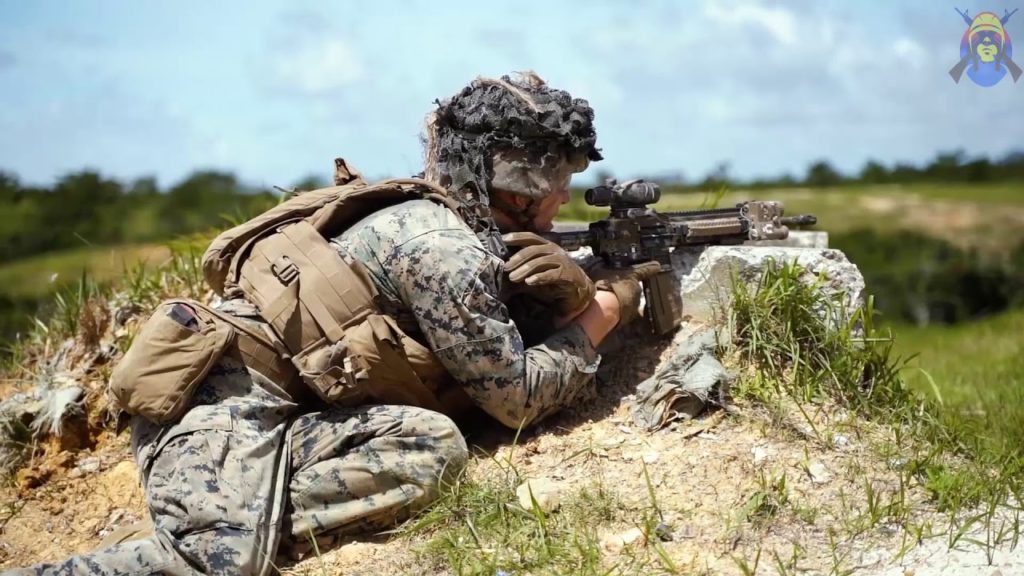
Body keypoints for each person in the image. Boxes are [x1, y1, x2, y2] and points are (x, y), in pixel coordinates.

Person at [12, 72, 655, 575]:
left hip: (299, 411)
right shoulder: (442, 247)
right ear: (517, 182)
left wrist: (557, 299)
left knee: (432, 448)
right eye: (560, 178)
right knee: (217, 564)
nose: (566, 196)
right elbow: (515, 399)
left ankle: (248, 504)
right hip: (216, 401)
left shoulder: (458, 228)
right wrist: (603, 313)